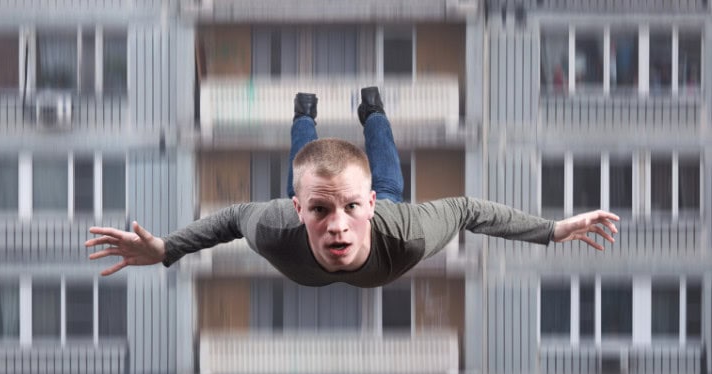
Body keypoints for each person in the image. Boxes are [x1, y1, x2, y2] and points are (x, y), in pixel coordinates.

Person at [86, 87, 619, 288]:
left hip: (384, 205)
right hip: (310, 198)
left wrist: (551, 230)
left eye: (350, 208)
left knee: (389, 174)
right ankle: (304, 114)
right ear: (298, 211)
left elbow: (469, 210)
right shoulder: (275, 227)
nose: (338, 227)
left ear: (368, 206)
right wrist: (166, 249)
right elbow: (229, 219)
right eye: (320, 211)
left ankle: (372, 108)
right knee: (303, 164)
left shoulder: (406, 232)